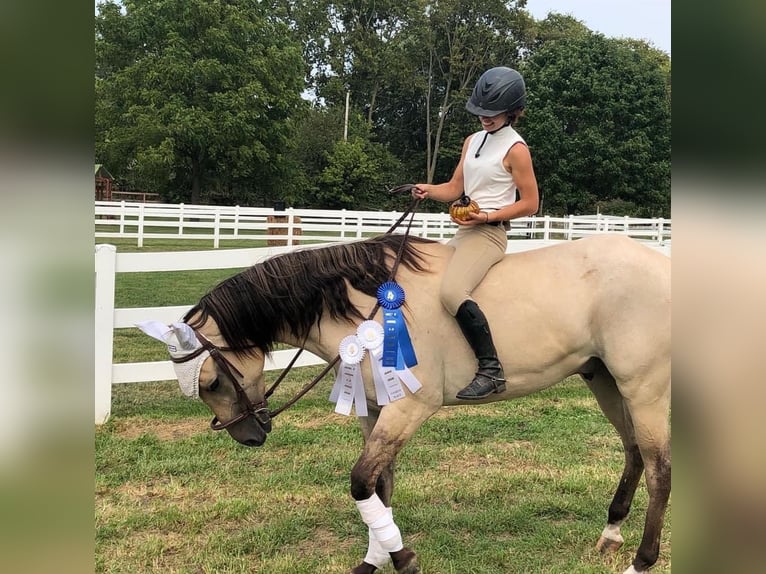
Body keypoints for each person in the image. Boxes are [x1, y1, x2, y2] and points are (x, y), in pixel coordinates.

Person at [412, 66, 540, 400]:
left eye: (492, 113)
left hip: (489, 235)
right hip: (464, 232)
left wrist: (488, 216)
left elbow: (531, 203)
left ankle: (491, 370)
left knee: (453, 291)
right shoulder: (473, 141)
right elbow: (455, 187)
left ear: (511, 111)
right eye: (480, 112)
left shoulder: (516, 149)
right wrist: (427, 189)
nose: (485, 118)